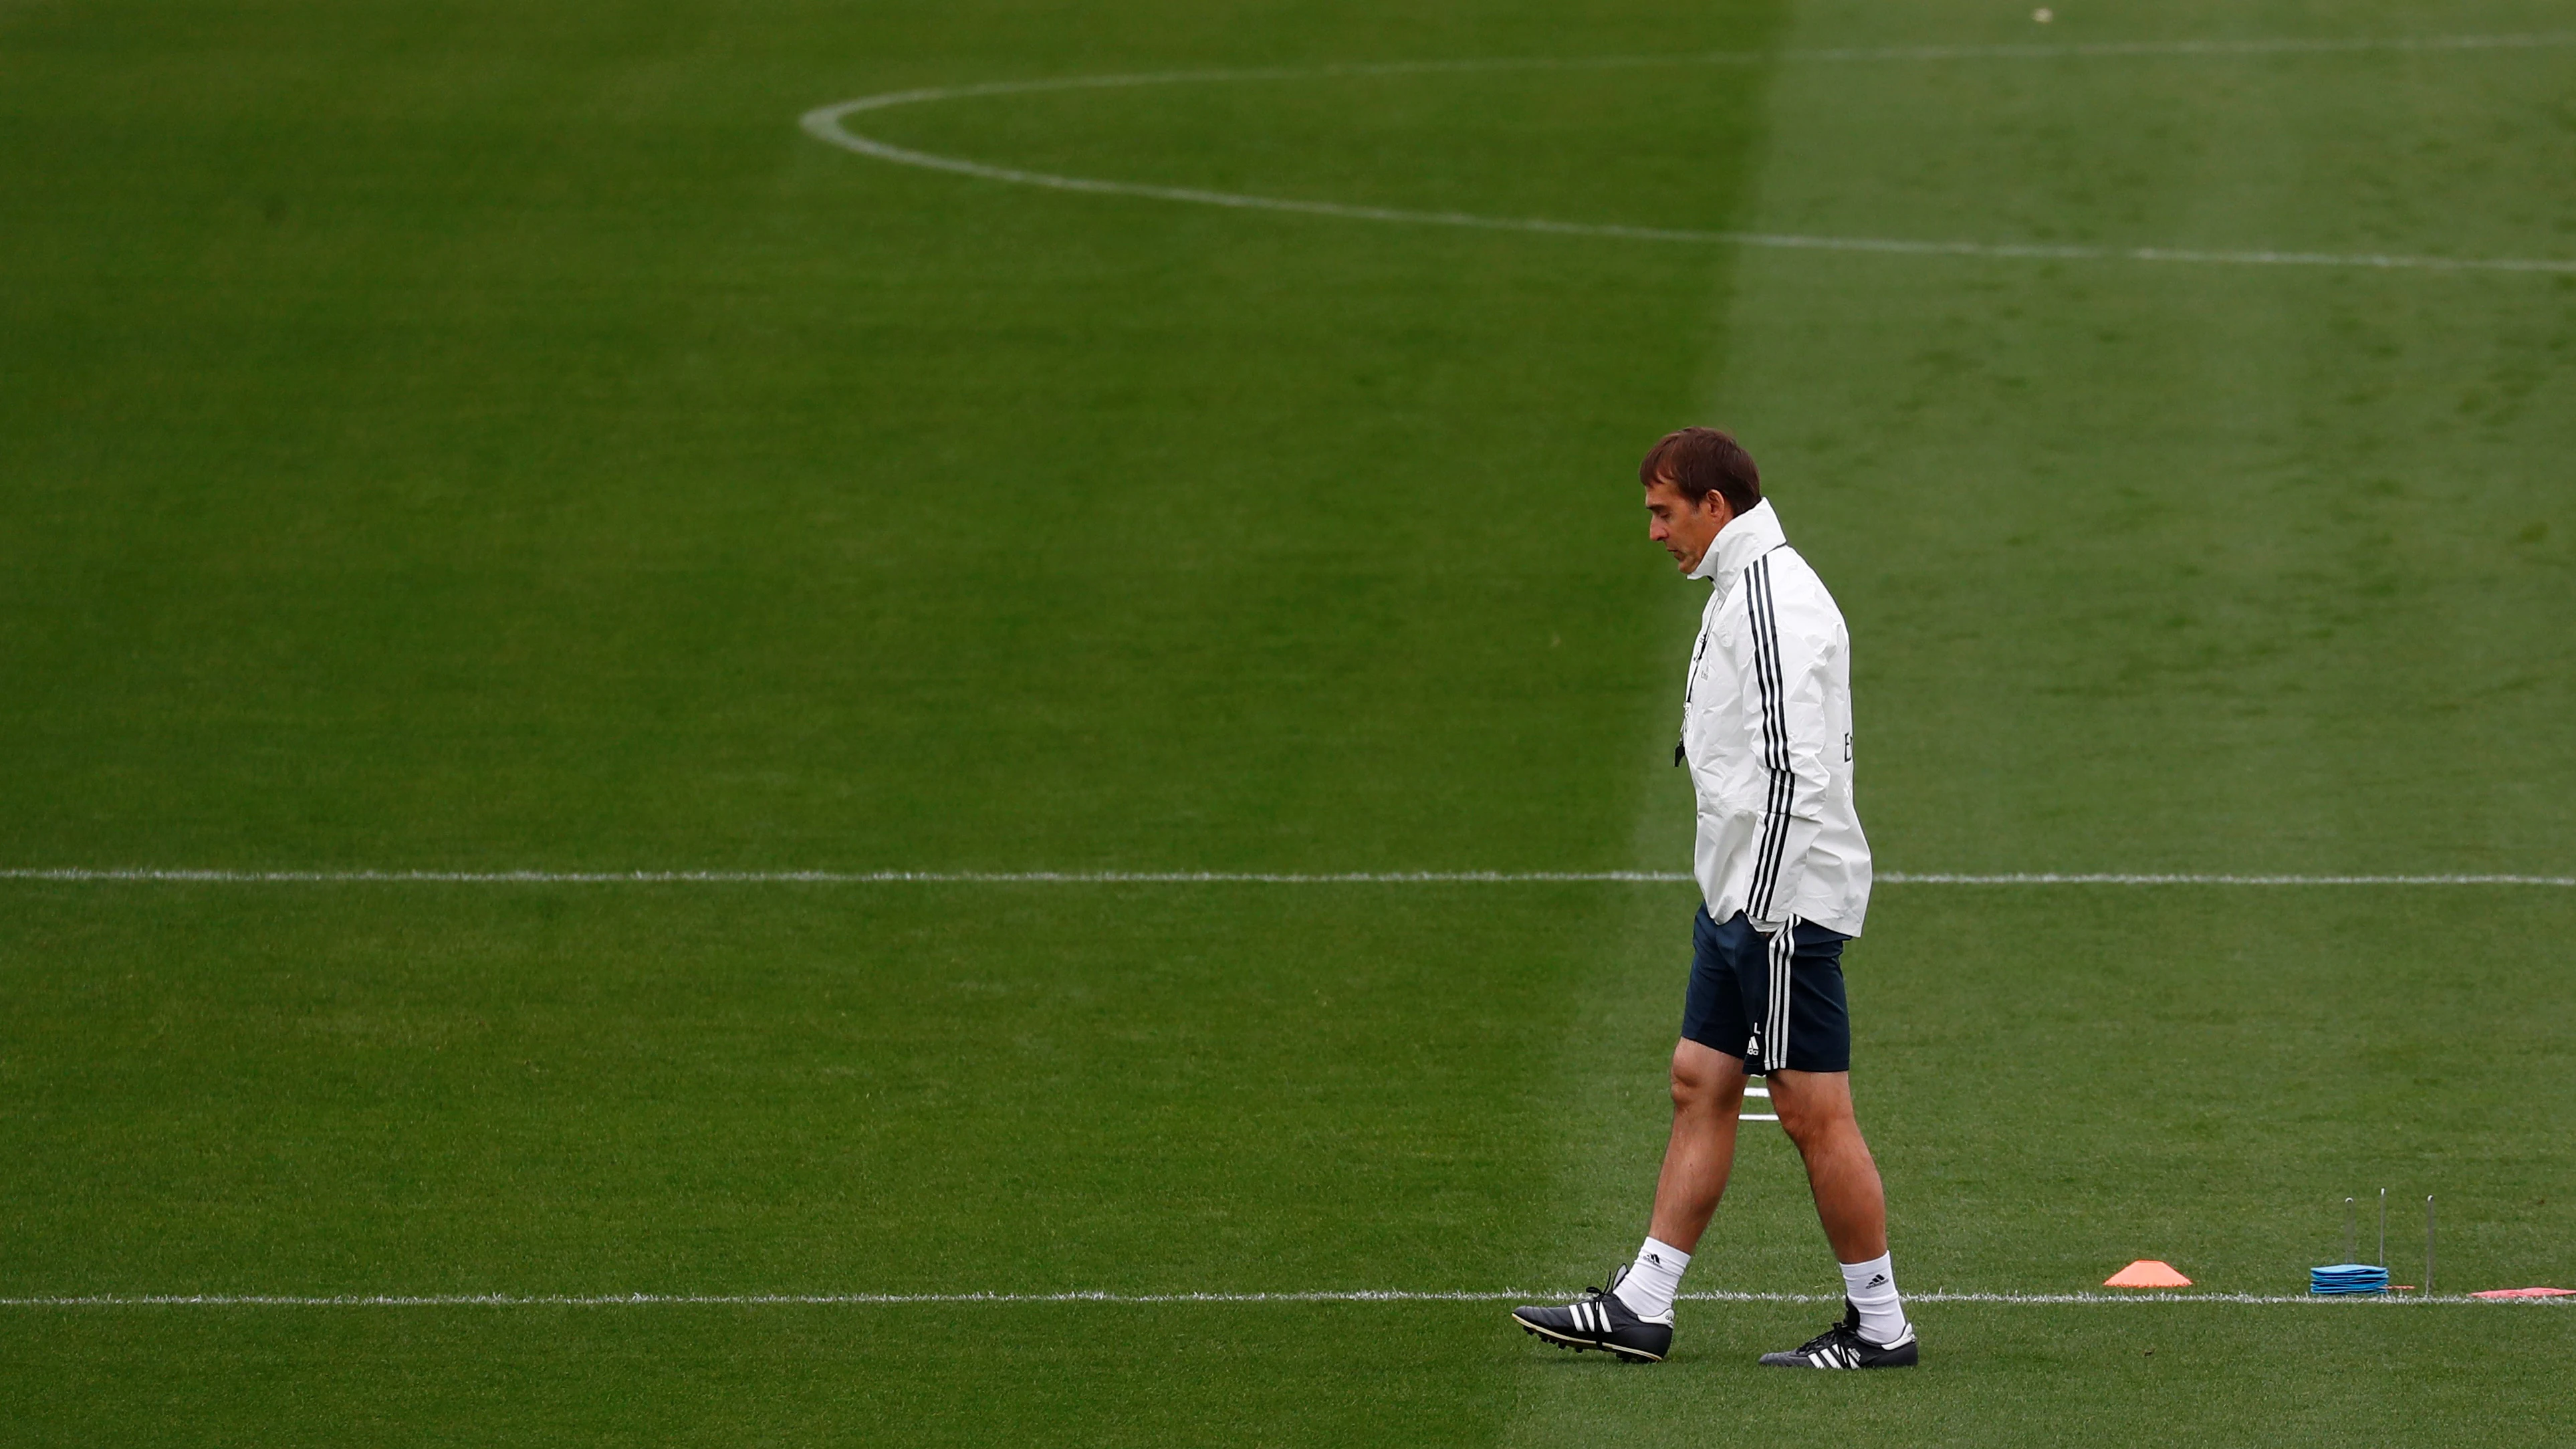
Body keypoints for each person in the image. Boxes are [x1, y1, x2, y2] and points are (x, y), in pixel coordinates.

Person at [1512, 427, 1916, 1369]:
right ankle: (1643, 1303)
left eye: (1663, 511)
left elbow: (1795, 773)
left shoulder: (1774, 600)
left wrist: (1762, 913)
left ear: (1714, 506)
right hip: (1741, 897)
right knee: (1701, 1078)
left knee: (1815, 1111)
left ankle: (1881, 1323)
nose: (1654, 532)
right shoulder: (1743, 586)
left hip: (1779, 904)